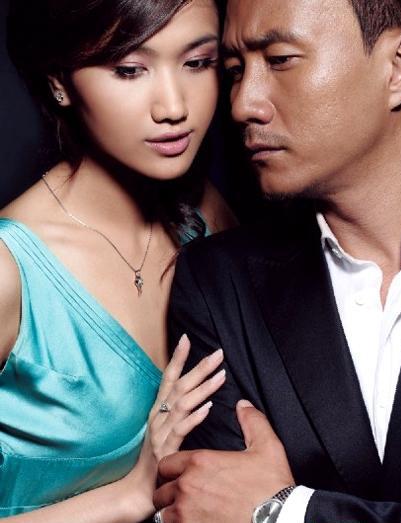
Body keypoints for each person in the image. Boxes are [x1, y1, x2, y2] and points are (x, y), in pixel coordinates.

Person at [152, 0, 401, 522]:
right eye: (235, 71)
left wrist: (285, 511)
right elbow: (209, 506)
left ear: (400, 67)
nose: (242, 104)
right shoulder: (218, 285)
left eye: (279, 60)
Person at [0, 0, 235, 520]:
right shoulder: (9, 270)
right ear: (59, 82)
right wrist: (133, 492)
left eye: (198, 63)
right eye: (130, 69)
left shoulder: (208, 216)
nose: (174, 106)